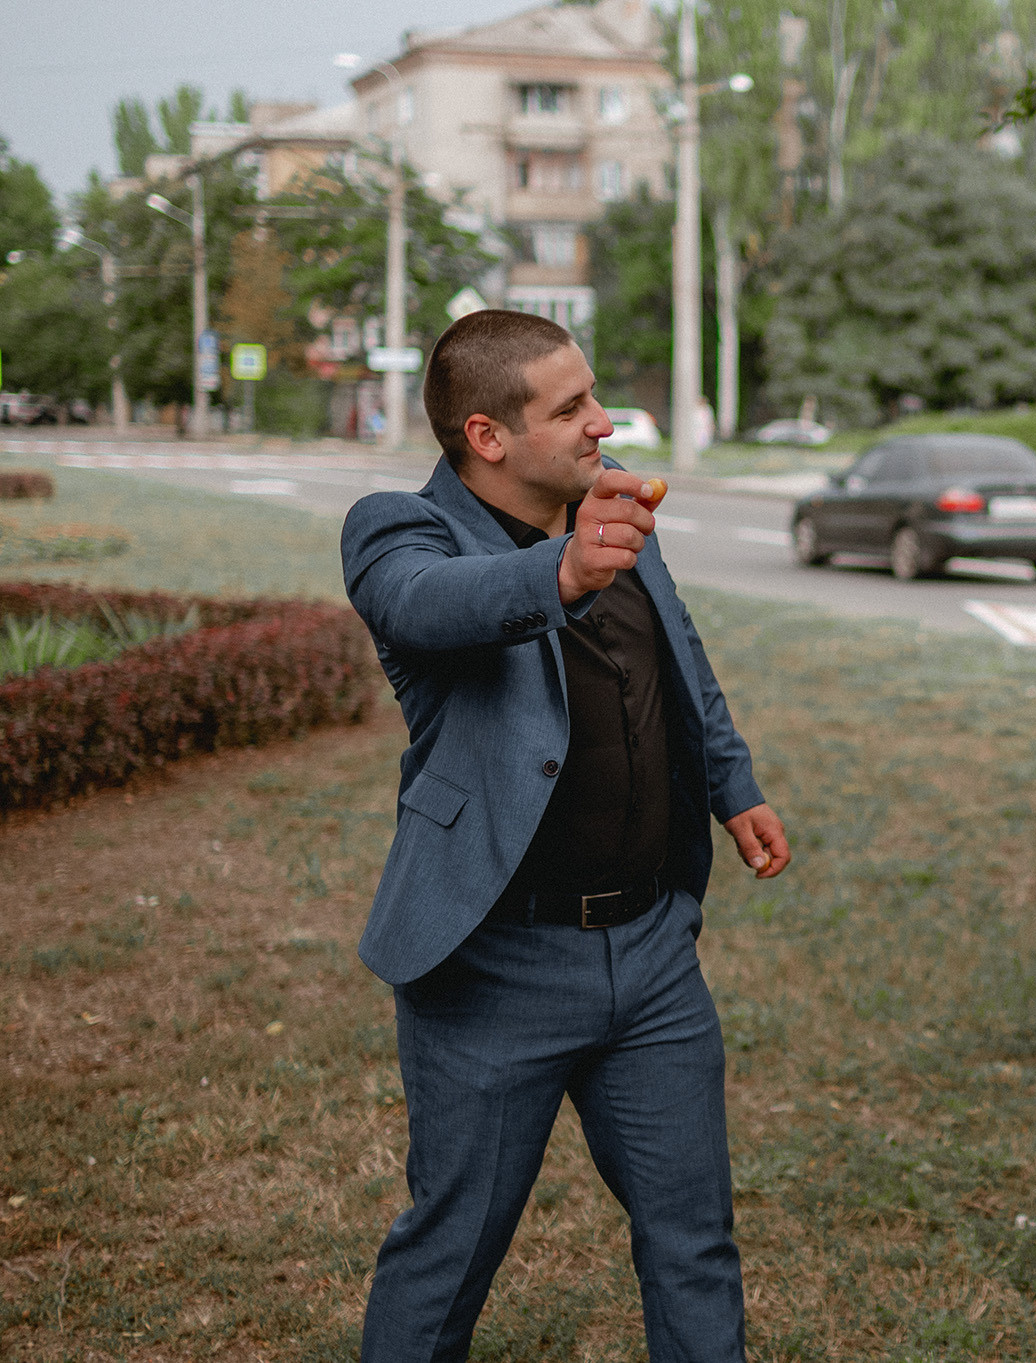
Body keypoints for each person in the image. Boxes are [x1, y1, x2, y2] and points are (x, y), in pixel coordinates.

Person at [340, 308, 790, 1363]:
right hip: (495, 964)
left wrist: (733, 784)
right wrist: (563, 575)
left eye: (595, 395)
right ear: (488, 435)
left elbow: (675, 650)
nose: (602, 422)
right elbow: (427, 606)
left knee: (693, 1240)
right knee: (451, 1252)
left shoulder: (611, 502)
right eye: (571, 407)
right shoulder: (399, 531)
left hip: (650, 955)